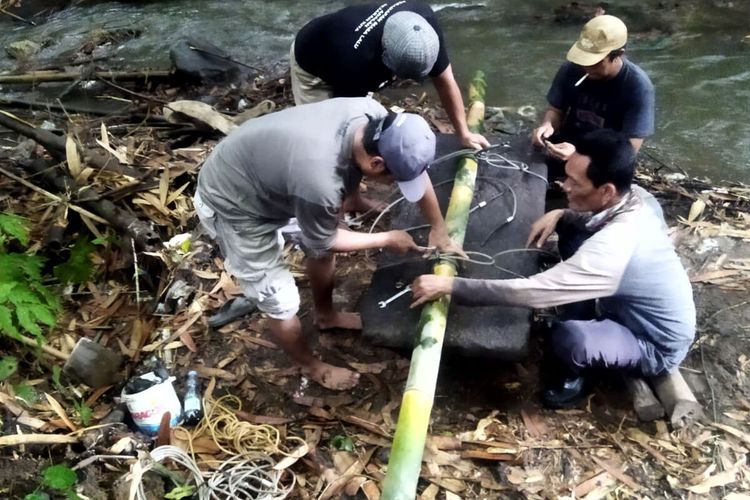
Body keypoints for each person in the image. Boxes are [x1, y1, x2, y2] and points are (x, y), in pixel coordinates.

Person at [410, 129, 695, 408]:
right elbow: (590, 219)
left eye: (574, 182)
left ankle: (575, 379)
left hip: (651, 340)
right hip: (624, 304)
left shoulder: (614, 248)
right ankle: (586, 310)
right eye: (566, 176)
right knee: (573, 225)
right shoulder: (637, 198)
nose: (564, 186)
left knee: (569, 337)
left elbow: (533, 293)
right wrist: (561, 213)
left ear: (606, 190)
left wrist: (451, 286)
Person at [194, 97, 459, 391]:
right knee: (280, 302)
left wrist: (439, 229)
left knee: (319, 247)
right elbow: (326, 239)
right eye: (395, 179)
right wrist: (386, 238)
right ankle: (311, 366)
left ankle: (326, 316)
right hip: (235, 203)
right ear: (377, 163)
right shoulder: (319, 182)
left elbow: (405, 173)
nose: (397, 185)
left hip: (273, 172)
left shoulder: (373, 118)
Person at [290, 1, 489, 150]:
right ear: (384, 55)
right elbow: (346, 122)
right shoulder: (354, 61)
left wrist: (463, 133)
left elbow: (445, 81)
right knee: (324, 138)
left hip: (348, 50)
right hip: (313, 63)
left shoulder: (423, 25)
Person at [531, 15, 655, 179]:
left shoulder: (637, 86)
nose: (587, 67)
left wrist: (579, 157)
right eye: (584, 60)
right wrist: (547, 125)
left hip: (605, 158)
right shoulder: (572, 69)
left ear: (618, 54)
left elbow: (628, 151)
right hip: (568, 144)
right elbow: (555, 110)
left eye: (596, 62)